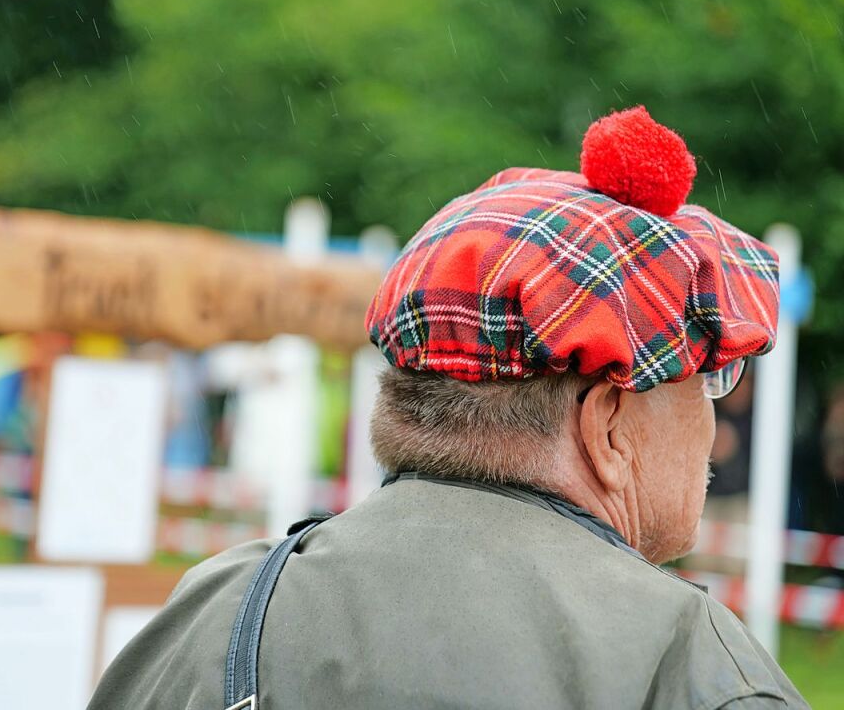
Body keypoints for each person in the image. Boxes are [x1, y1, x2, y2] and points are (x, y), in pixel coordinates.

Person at [89, 107, 808, 709]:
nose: (713, 422)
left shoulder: (217, 614)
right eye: (709, 380)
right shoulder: (689, 664)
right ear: (608, 425)